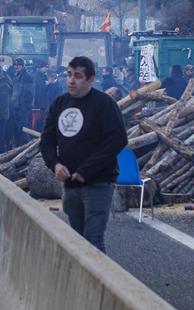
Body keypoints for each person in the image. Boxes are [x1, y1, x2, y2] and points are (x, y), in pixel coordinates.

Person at [40, 56, 128, 252]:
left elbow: (117, 140)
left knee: (93, 239)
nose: (71, 80)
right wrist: (55, 164)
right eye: (69, 75)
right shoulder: (59, 104)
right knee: (78, 241)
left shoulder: (104, 104)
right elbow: (47, 140)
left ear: (90, 79)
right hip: (70, 185)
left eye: (78, 76)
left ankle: (101, 273)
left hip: (98, 183)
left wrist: (86, 170)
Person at [9, 58, 35, 144]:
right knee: (17, 131)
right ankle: (20, 147)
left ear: (23, 66)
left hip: (23, 109)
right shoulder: (16, 76)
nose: (16, 67)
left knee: (23, 131)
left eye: (18, 65)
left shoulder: (27, 77)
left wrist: (23, 106)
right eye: (15, 65)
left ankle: (26, 148)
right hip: (17, 108)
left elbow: (29, 94)